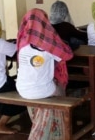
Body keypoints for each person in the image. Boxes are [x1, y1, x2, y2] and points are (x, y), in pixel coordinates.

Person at [16, 8, 74, 139]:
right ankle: (58, 133)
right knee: (61, 90)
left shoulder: (22, 43)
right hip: (43, 90)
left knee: (42, 85)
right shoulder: (48, 46)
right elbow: (67, 55)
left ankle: (42, 123)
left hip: (22, 89)